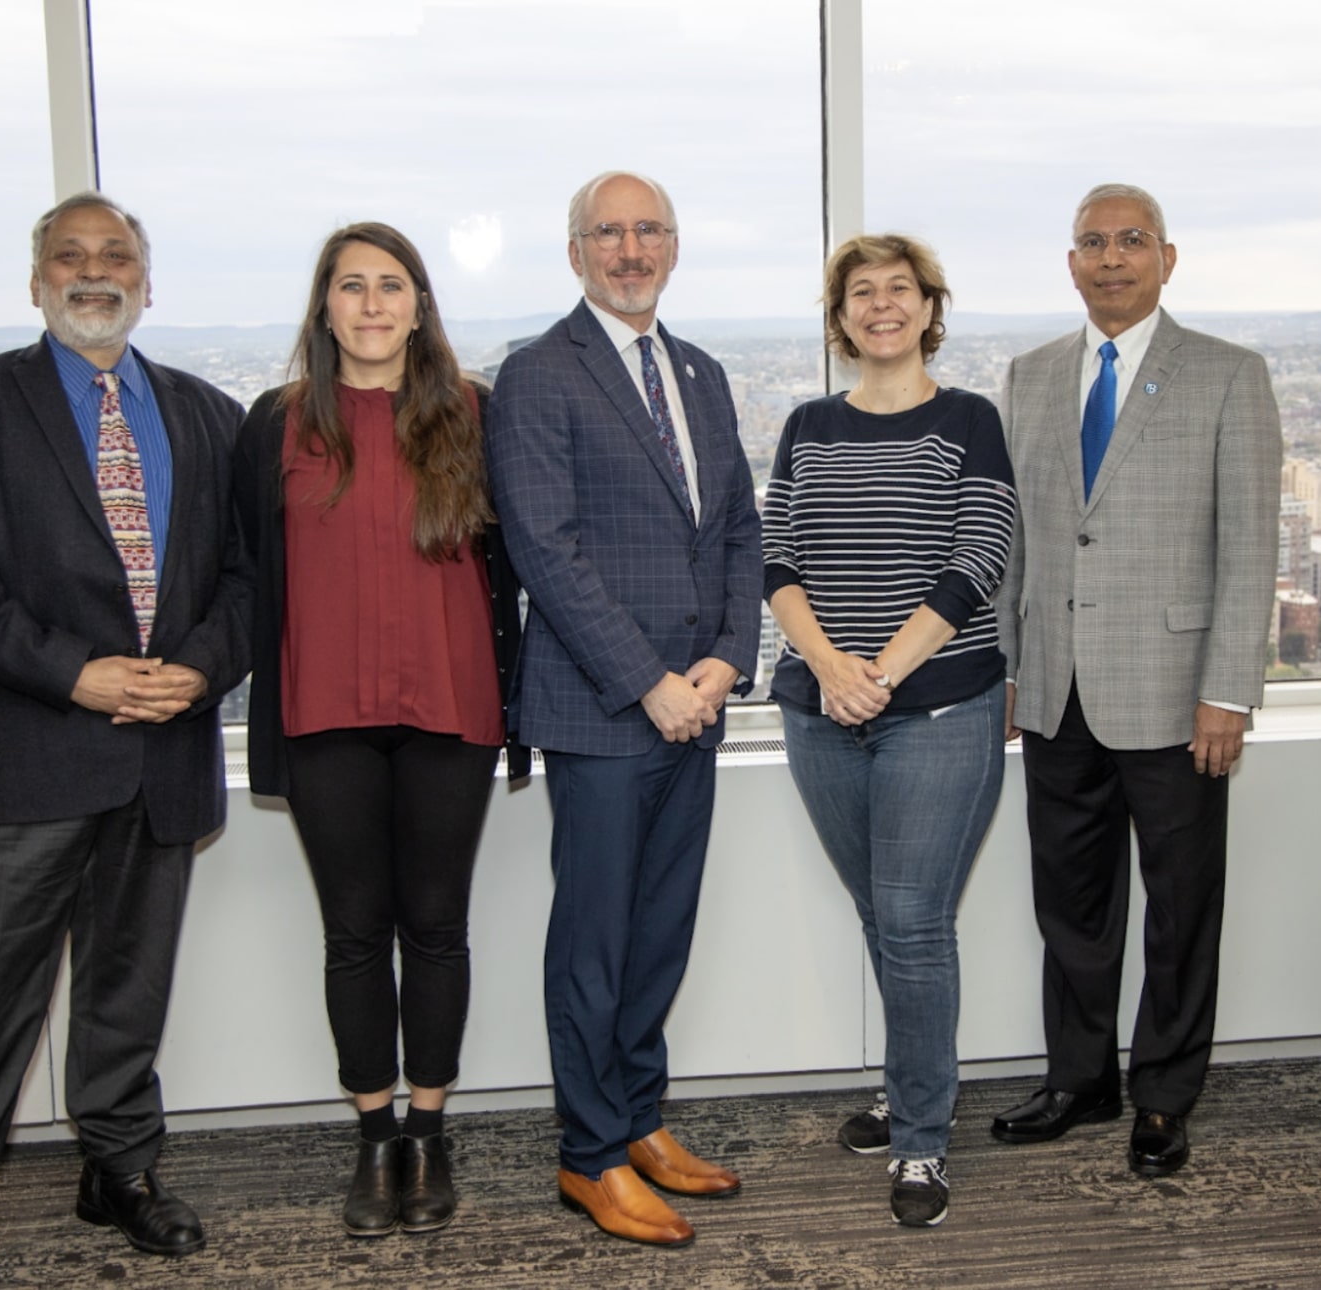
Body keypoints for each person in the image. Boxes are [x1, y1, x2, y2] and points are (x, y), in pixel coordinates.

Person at [0, 192, 251, 1290]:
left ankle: (118, 1171)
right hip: (31, 749)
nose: (96, 272)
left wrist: (199, 669)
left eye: (118, 256)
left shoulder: (206, 413)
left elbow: (244, 578)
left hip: (163, 751)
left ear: (149, 279)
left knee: (127, 989)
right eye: (70, 255)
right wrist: (74, 673)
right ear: (36, 277)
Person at [485, 170, 762, 1248]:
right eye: (610, 231)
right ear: (576, 252)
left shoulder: (699, 371)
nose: (631, 248)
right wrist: (651, 682)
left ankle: (640, 1119)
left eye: (649, 230)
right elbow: (544, 552)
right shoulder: (539, 375)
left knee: (660, 932)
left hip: (695, 704)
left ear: (674, 248)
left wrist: (725, 665)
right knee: (594, 941)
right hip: (607, 711)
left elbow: (738, 527)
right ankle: (589, 1154)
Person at [234, 223, 525, 1238]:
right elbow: (242, 574)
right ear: (323, 307)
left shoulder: (474, 415)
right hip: (323, 715)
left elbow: (523, 560)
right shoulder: (274, 424)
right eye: (349, 286)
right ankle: (373, 1139)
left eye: (389, 286)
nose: (370, 304)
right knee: (355, 933)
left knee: (436, 926)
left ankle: (431, 1130)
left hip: (453, 709)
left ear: (418, 304)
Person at [992, 183, 1282, 1177]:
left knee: (1180, 905)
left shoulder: (1227, 376)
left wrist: (1230, 690)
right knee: (1069, 904)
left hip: (1177, 695)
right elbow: (1017, 538)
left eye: (1131, 241)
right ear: (1069, 262)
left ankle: (1163, 1093)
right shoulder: (1029, 377)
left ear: (1167, 256)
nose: (1111, 258)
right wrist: (1008, 670)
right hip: (1055, 689)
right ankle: (1080, 1079)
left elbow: (1250, 548)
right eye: (1091, 243)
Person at [762, 233, 1014, 1226]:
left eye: (898, 290)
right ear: (841, 317)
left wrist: (881, 674)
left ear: (927, 307)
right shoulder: (807, 425)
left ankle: (919, 1142)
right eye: (860, 293)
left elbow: (978, 557)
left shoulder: (969, 421)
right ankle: (914, 1082)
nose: (880, 306)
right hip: (822, 711)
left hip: (941, 707)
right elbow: (776, 556)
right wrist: (831, 671)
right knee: (883, 914)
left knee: (912, 923)